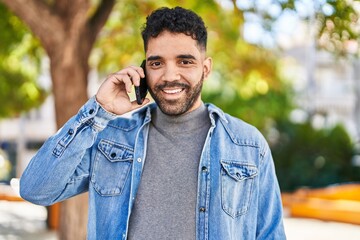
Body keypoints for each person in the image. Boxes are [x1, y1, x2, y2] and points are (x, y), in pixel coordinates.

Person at [20, 6, 286, 240]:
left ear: (205, 68)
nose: (170, 75)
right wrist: (99, 111)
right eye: (157, 63)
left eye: (185, 61)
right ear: (143, 69)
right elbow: (35, 189)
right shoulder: (111, 138)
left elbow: (270, 235)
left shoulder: (248, 145)